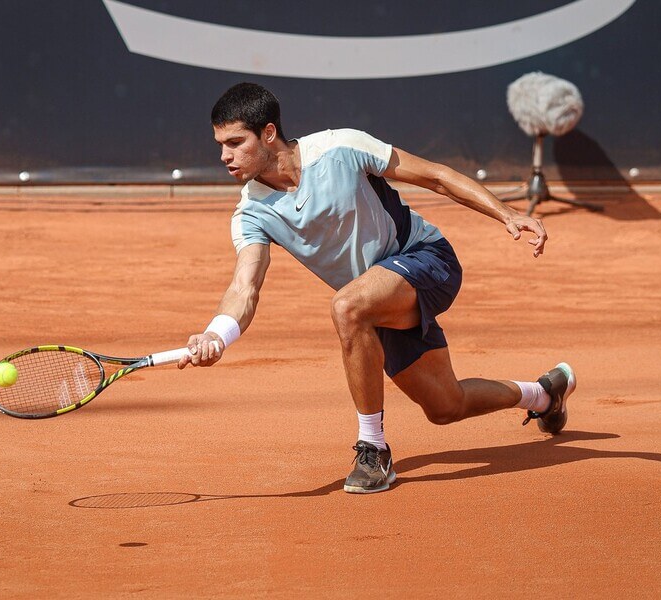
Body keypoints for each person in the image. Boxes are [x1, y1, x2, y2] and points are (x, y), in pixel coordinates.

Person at [178, 82, 576, 494]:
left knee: (346, 306)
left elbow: (436, 177)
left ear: (269, 133)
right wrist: (216, 333)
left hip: (425, 259)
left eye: (234, 142)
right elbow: (245, 288)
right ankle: (545, 395)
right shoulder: (251, 212)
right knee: (445, 405)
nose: (224, 156)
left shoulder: (341, 148)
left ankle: (373, 449)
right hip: (375, 298)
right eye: (220, 144)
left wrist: (506, 213)